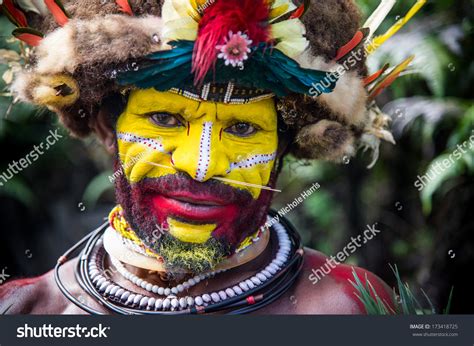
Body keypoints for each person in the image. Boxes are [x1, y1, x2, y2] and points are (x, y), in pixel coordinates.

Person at [0, 0, 423, 315]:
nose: (201, 165)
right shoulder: (29, 310)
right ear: (107, 128)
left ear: (285, 145)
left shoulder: (345, 308)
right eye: (164, 118)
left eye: (242, 128)